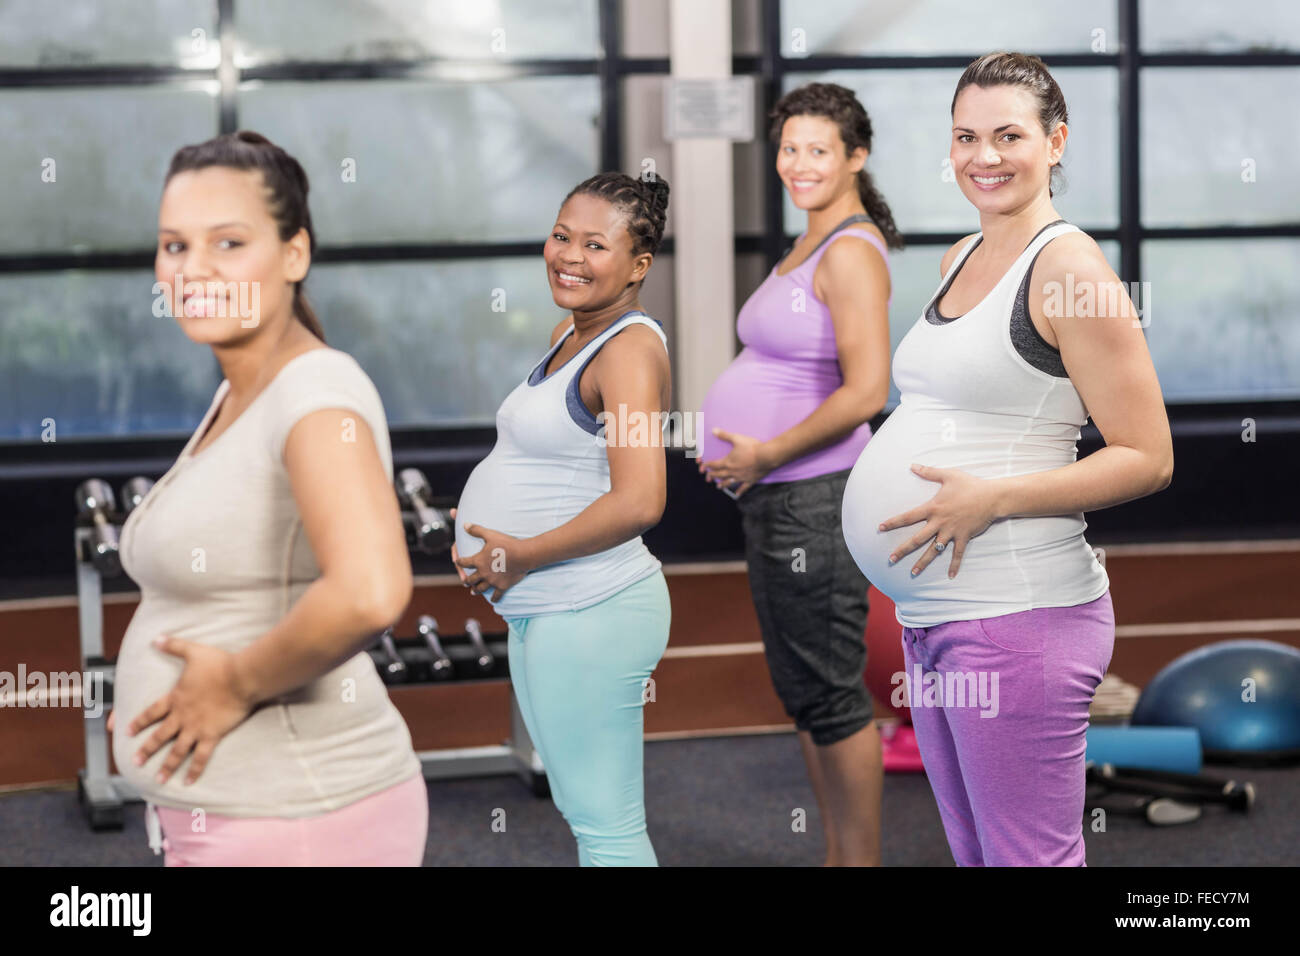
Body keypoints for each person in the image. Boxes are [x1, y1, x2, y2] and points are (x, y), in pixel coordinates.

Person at [841, 52, 1173, 866]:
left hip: (1017, 619)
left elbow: (1148, 455)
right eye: (966, 136)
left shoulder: (1069, 269)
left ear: (1056, 142)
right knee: (978, 854)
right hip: (934, 622)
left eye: (1008, 136)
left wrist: (993, 500)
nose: (983, 156)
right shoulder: (961, 254)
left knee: (1029, 859)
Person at [111, 130, 427, 866]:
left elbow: (371, 592)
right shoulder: (243, 390)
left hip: (301, 818)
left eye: (227, 243)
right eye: (174, 245)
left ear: (295, 254)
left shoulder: (315, 396)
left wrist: (230, 687)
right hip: (238, 815)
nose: (192, 269)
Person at [698, 83, 899, 866]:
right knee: (807, 693)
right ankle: (838, 857)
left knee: (832, 692)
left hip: (815, 498)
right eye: (789, 148)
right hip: (780, 502)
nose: (799, 163)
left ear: (856, 156)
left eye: (819, 149)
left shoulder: (850, 250)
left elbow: (867, 391)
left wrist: (766, 453)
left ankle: (860, 861)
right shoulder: (810, 245)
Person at [450, 172, 673, 866]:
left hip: (592, 609)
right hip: (548, 609)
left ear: (638, 266)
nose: (569, 256)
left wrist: (521, 553)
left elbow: (641, 501)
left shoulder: (629, 349)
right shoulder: (568, 334)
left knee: (606, 828)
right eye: (561, 235)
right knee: (587, 816)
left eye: (595, 246)